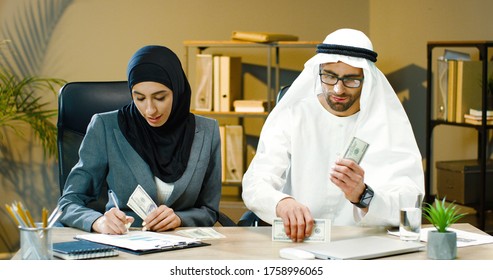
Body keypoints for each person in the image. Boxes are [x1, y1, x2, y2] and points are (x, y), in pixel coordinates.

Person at [242, 28, 424, 242]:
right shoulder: (294, 114)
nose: (338, 89)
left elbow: (410, 201)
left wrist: (364, 195)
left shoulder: (387, 123)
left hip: (364, 243)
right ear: (319, 72)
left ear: (367, 79)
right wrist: (282, 203)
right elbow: (256, 182)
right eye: (329, 76)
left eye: (351, 80)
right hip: (300, 240)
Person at [58, 45, 222, 234]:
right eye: (140, 98)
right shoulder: (105, 126)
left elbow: (209, 210)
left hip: (184, 245)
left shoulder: (207, 132)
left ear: (177, 91)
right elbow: (69, 202)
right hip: (126, 242)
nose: (150, 110)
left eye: (160, 98)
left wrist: (180, 218)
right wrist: (98, 221)